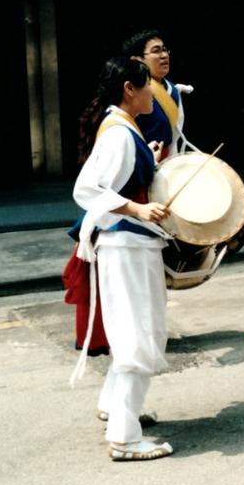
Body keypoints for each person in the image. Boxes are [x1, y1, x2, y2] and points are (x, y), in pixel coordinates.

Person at [71, 57, 174, 461]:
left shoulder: (122, 127)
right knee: (139, 331)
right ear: (129, 89)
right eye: (148, 86)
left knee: (130, 327)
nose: (154, 93)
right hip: (126, 245)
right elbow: (87, 190)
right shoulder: (118, 133)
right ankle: (125, 437)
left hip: (128, 245)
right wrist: (136, 209)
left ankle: (114, 406)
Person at [122, 29, 195, 159]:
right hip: (138, 161)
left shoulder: (173, 90)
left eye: (165, 50)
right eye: (156, 51)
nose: (164, 55)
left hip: (164, 164)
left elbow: (173, 139)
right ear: (136, 59)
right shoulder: (130, 91)